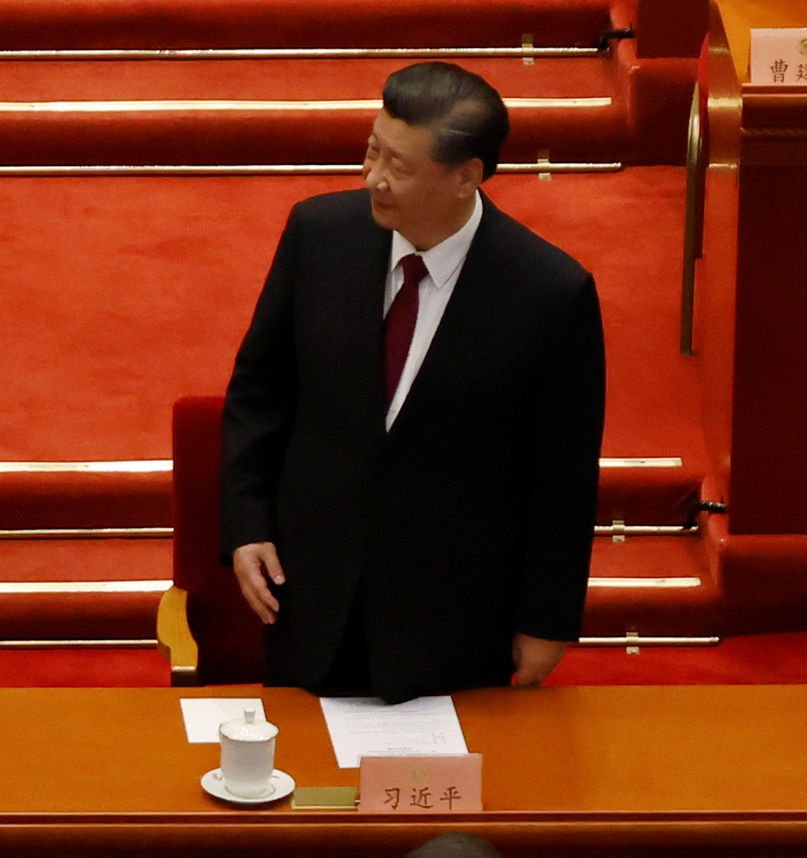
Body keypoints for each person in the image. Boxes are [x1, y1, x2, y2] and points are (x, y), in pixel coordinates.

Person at [219, 64, 604, 698]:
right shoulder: (319, 235)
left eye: (398, 165)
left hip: (452, 622)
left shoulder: (549, 294)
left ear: (466, 175)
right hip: (311, 600)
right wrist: (247, 523)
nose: (374, 178)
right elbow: (260, 390)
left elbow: (561, 476)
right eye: (373, 150)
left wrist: (547, 621)